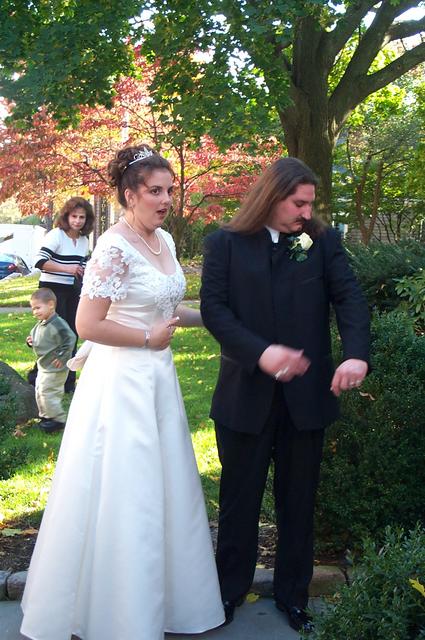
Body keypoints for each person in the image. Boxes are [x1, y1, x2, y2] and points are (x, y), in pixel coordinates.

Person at [20, 144, 224, 640]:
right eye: (155, 191)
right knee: (127, 488)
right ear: (130, 195)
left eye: (170, 190)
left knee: (165, 485)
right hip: (121, 382)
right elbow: (88, 324)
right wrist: (146, 339)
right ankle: (117, 614)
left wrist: (218, 320)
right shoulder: (113, 247)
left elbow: (167, 310)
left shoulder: (164, 240)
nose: (166, 199)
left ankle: (168, 603)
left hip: (159, 379)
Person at [200, 157, 370, 634]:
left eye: (310, 203)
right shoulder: (224, 244)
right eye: (299, 203)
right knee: (238, 501)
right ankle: (228, 591)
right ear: (272, 198)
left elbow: (350, 298)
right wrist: (261, 353)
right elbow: (215, 310)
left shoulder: (322, 242)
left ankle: (294, 597)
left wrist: (356, 355)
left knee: (299, 502)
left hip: (307, 397)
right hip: (244, 396)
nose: (306, 212)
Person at [32, 196, 94, 392]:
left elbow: (83, 267)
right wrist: (68, 269)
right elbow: (40, 262)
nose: (77, 221)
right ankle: (39, 376)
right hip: (52, 290)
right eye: (74, 216)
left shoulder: (83, 240)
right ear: (66, 216)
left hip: (73, 290)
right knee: (55, 334)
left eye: (82, 217)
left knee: (72, 333)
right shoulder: (56, 235)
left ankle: (68, 381)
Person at [27, 288, 76, 433]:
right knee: (40, 390)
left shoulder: (57, 324)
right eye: (33, 308)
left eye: (38, 307)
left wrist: (62, 357)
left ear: (50, 305)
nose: (35, 312)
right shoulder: (41, 323)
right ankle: (46, 416)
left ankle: (57, 420)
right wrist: (30, 341)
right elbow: (36, 338)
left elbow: (70, 339)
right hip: (44, 366)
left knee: (50, 392)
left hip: (55, 367)